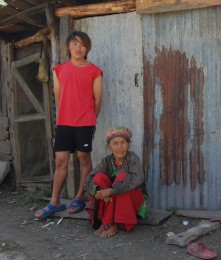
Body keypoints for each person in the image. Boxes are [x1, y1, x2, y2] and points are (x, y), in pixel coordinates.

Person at [35, 31, 103, 219]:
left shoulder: (94, 71)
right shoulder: (59, 70)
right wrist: (67, 113)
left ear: (87, 47)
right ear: (68, 46)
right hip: (65, 123)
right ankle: (54, 202)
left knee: (83, 157)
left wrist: (89, 119)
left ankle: (80, 197)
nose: (78, 47)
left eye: (82, 44)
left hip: (85, 122)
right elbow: (58, 97)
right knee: (60, 161)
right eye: (74, 43)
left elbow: (98, 101)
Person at [84, 126, 148, 238]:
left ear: (129, 144)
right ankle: (107, 221)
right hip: (111, 200)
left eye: (123, 142)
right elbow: (88, 180)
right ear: (109, 146)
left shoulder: (132, 158)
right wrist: (100, 192)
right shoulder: (107, 161)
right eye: (115, 143)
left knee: (123, 177)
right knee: (99, 177)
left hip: (133, 199)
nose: (120, 147)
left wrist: (112, 190)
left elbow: (138, 179)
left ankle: (115, 224)